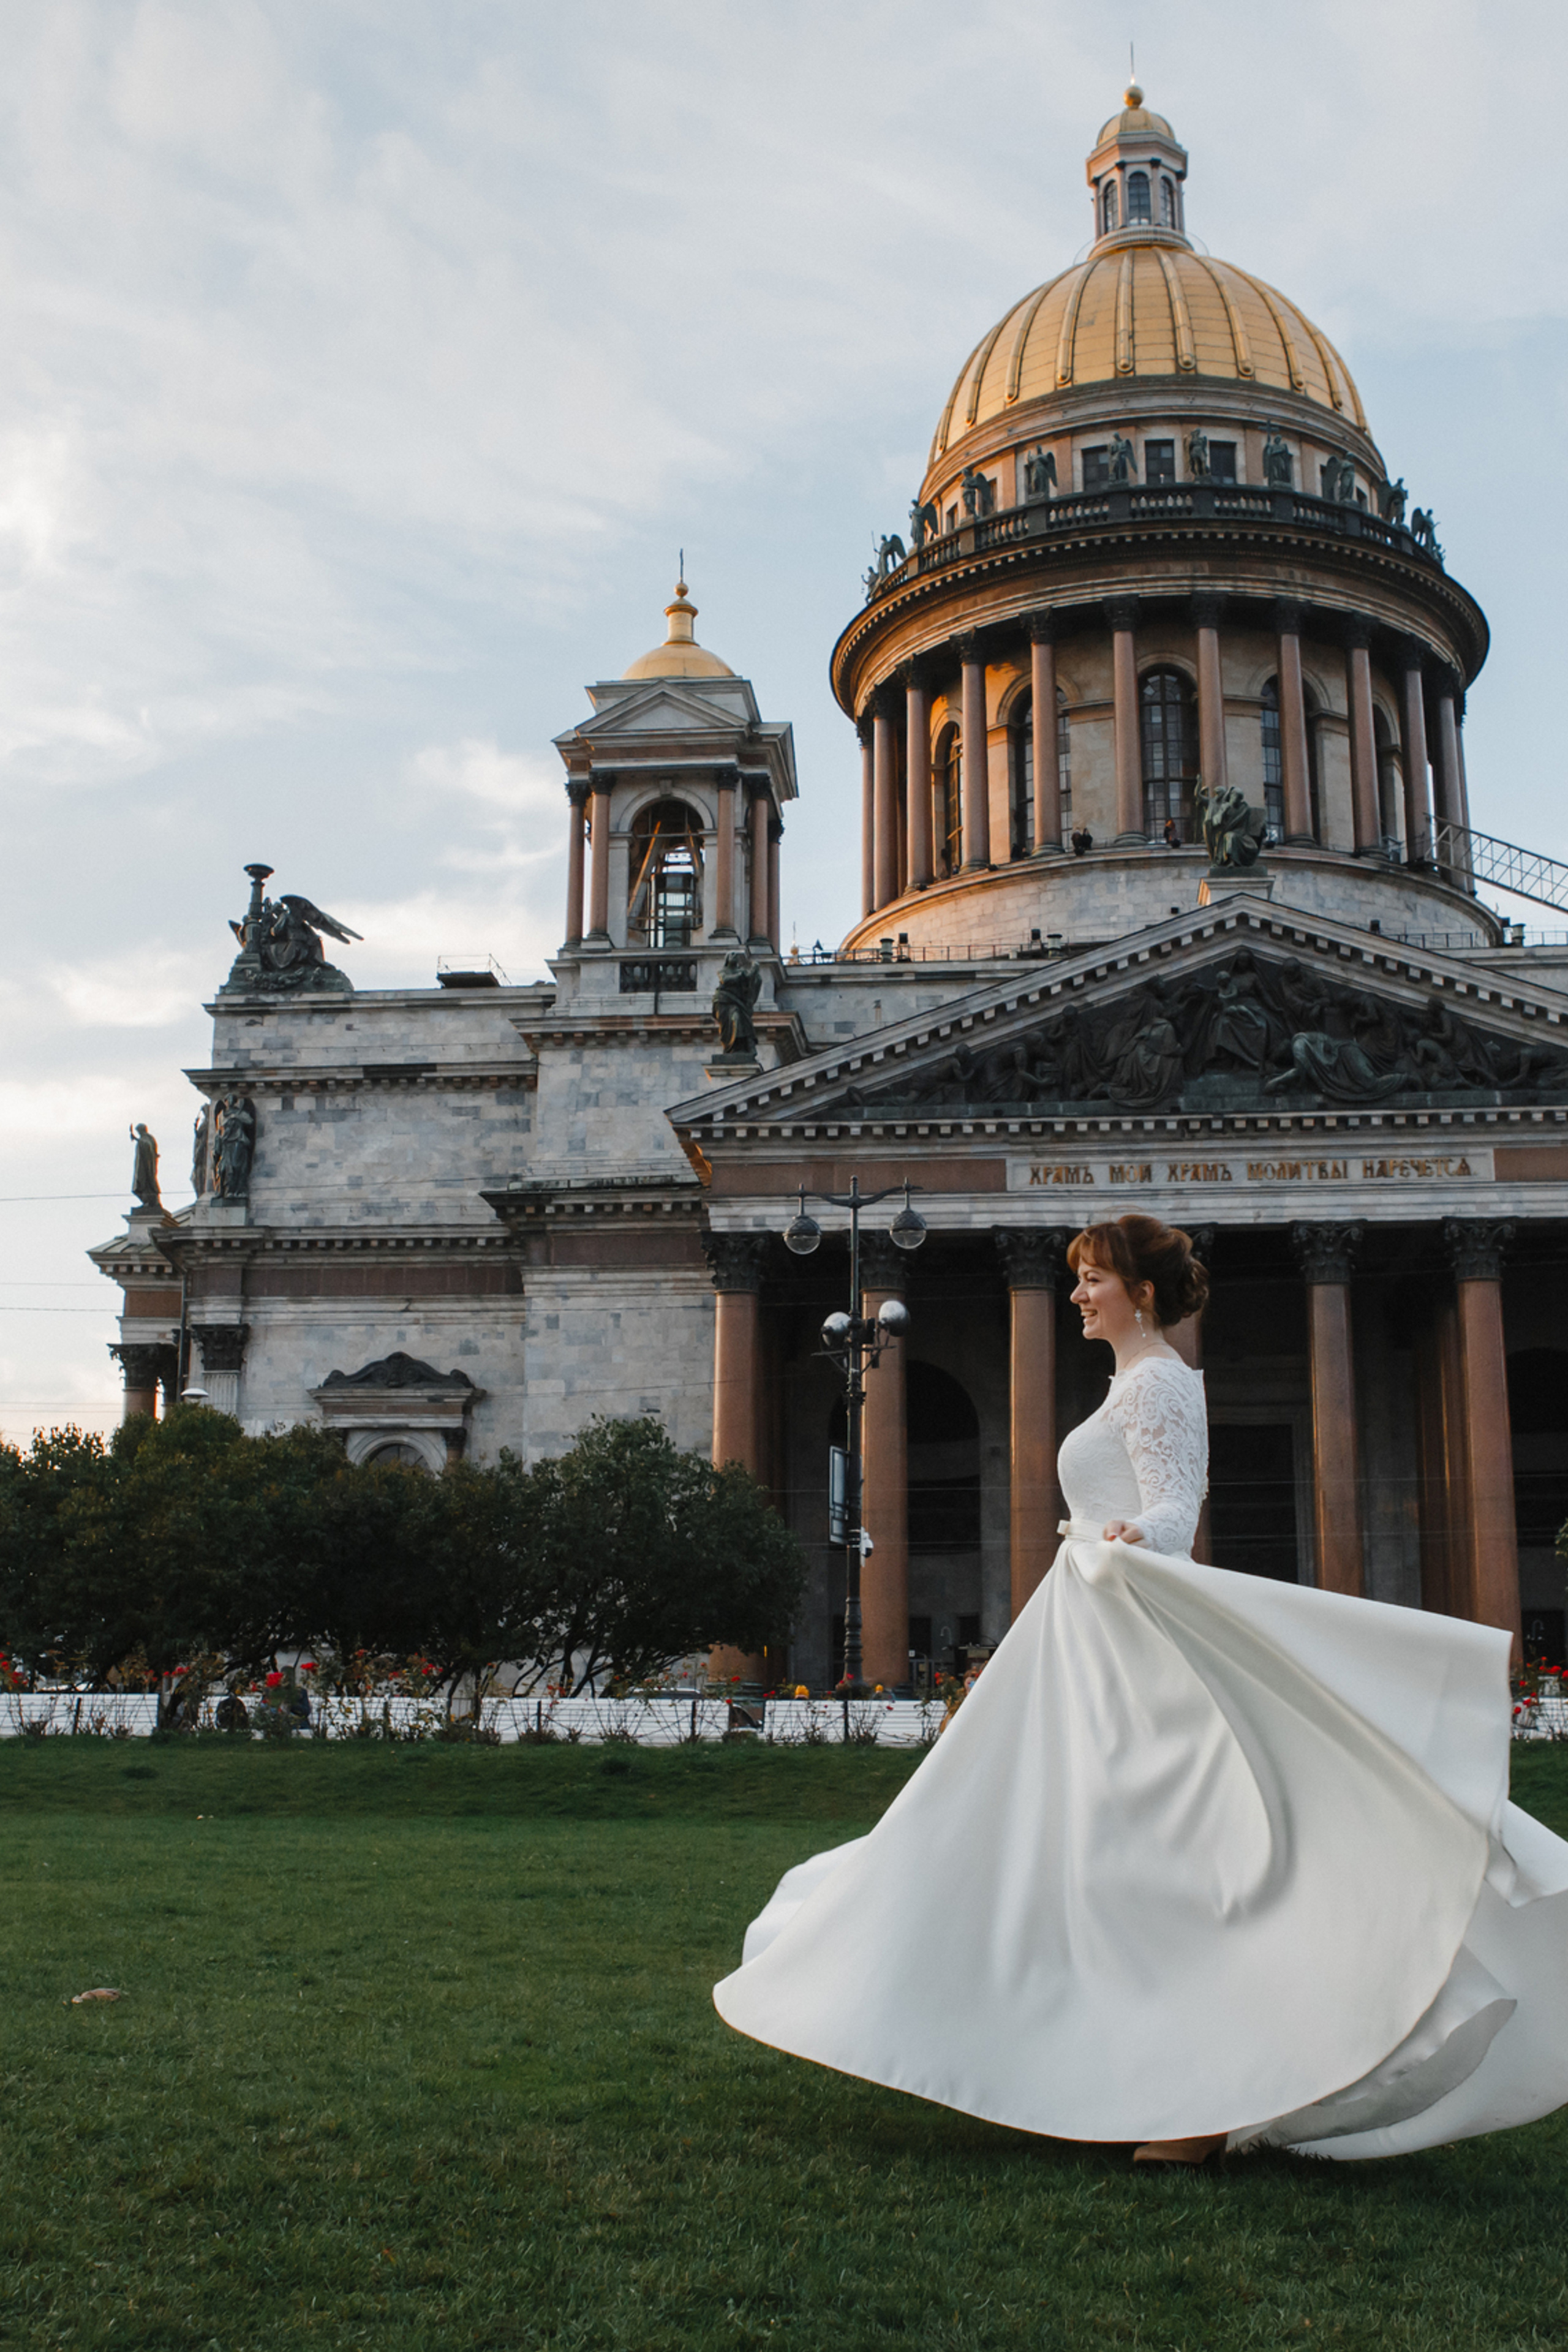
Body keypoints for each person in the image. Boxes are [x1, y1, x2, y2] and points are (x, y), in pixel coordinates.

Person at [714, 1213, 1568, 2166]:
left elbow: (1174, 1505)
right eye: (1075, 1277)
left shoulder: (1160, 1378)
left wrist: (1132, 1540)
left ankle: (1194, 2102)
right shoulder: (1131, 1379)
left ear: (1144, 1293)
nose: (1078, 1293)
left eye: (1093, 1279)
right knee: (1067, 1848)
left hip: (1123, 1623)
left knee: (1150, 1856)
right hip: (1089, 1624)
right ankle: (1086, 2063)